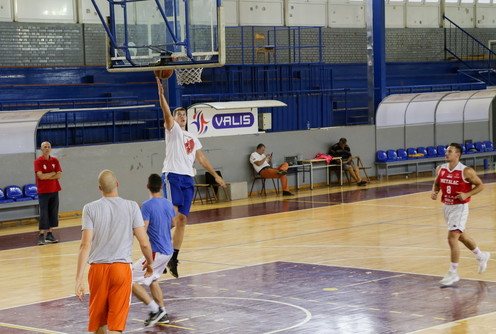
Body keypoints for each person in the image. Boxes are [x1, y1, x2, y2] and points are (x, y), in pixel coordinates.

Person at [156, 75, 226, 278]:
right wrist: (162, 96)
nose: (181, 116)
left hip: (187, 179)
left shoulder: (193, 137)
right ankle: (154, 237)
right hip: (172, 176)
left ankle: (174, 257)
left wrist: (215, 176)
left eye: (184, 114)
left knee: (182, 220)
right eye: (178, 114)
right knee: (174, 216)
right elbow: (166, 113)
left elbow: (201, 158)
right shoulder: (172, 130)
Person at [75, 170, 154, 334]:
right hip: (121, 269)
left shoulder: (89, 209)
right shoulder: (132, 206)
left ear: (99, 188)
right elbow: (144, 242)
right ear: (117, 184)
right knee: (116, 325)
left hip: (97, 270)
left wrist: (78, 278)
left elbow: (85, 245)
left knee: (99, 323)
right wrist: (150, 264)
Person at [431, 143, 490, 286]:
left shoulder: (466, 171)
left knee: (452, 238)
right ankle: (481, 256)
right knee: (461, 236)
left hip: (460, 207)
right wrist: (435, 191)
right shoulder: (441, 169)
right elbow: (437, 183)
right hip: (447, 206)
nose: (446, 154)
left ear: (457, 154)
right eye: (446, 151)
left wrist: (467, 194)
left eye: (450, 151)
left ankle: (453, 272)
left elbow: (481, 185)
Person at [132, 173, 175, 327]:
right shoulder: (168, 203)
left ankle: (155, 309)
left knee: (128, 279)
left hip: (156, 251)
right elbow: (173, 223)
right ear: (162, 187)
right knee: (152, 279)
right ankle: (162, 312)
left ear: (147, 186)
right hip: (168, 251)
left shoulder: (147, 206)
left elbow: (143, 229)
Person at [34, 141, 62, 245]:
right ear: (41, 149)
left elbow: (59, 175)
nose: (47, 148)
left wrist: (48, 175)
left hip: (54, 190)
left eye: (48, 146)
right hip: (43, 191)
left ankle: (50, 234)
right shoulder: (38, 161)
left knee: (53, 212)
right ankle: (41, 235)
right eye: (45, 147)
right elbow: (41, 176)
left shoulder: (55, 160)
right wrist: (52, 173)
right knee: (44, 213)